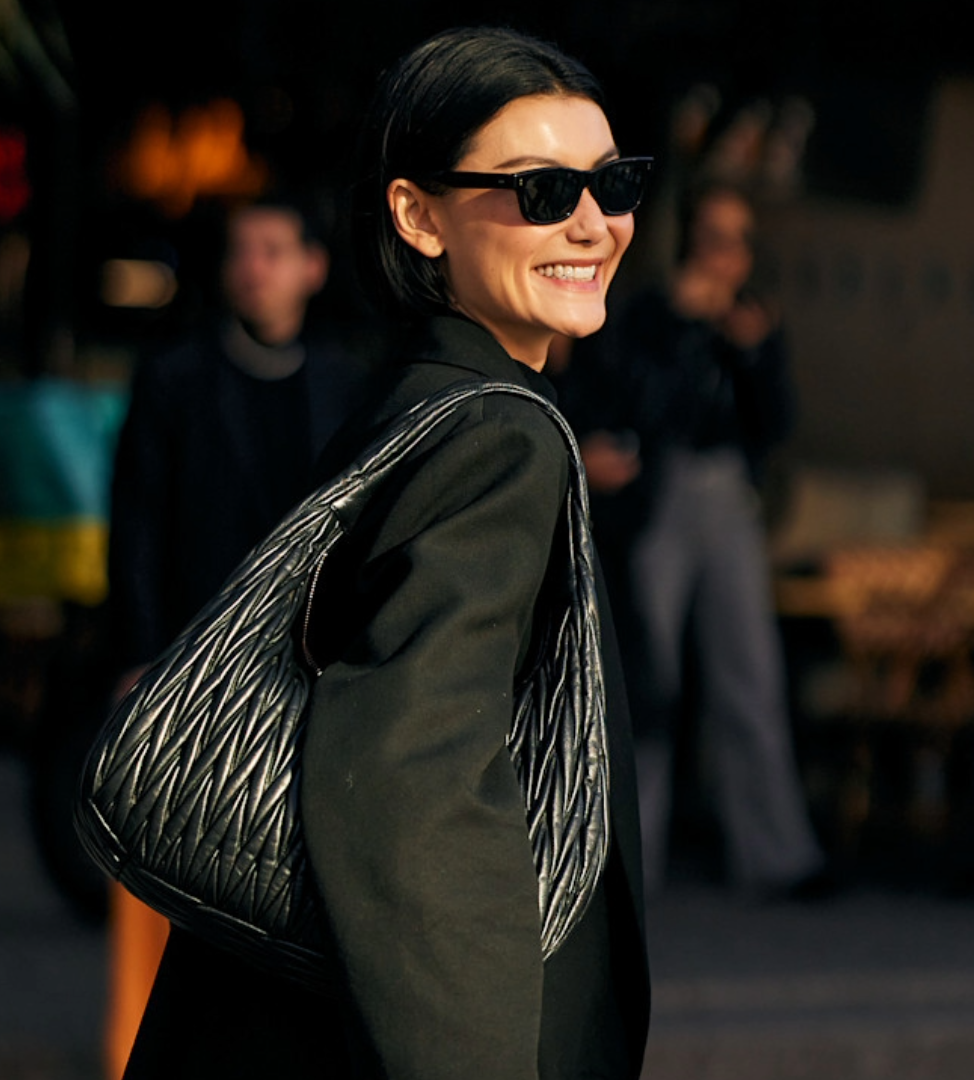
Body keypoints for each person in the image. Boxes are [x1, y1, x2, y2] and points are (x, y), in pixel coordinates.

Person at [119, 26, 652, 1080]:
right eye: (543, 190)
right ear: (418, 216)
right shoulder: (500, 437)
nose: (593, 223)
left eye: (614, 182)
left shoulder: (413, 400)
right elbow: (419, 793)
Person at [557, 183, 830, 902]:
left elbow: (776, 422)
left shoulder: (752, 320)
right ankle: (626, 861)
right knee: (649, 678)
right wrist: (684, 325)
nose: (724, 256)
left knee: (750, 674)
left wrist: (754, 351)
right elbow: (640, 400)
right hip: (659, 492)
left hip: (728, 494)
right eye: (712, 238)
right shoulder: (650, 313)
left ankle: (774, 852)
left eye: (738, 241)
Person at [105, 194, 368, 687]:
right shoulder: (176, 377)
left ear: (313, 267)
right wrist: (137, 653)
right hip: (194, 642)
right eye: (240, 251)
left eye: (272, 251)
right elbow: (138, 522)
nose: (253, 268)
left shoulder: (344, 383)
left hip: (305, 650)